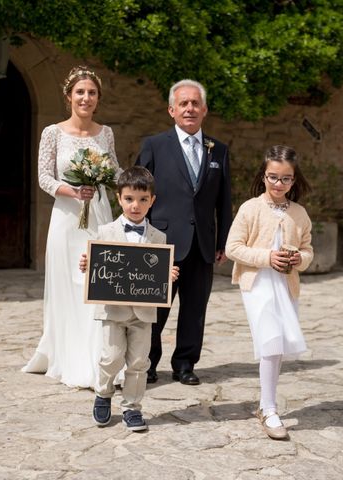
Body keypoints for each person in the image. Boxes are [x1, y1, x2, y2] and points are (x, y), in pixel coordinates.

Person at [22, 66, 120, 389]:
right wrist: (74, 191)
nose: (86, 98)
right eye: (80, 92)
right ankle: (71, 357)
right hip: (67, 218)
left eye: (92, 93)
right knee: (69, 286)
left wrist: (129, 187)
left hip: (99, 215)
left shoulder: (106, 134)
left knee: (98, 283)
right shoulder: (52, 133)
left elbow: (115, 172)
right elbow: (44, 177)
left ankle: (99, 357)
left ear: (98, 99)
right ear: (69, 97)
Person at [136, 79, 232, 386]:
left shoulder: (219, 150)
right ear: (171, 110)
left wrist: (223, 241)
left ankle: (185, 364)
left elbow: (224, 200)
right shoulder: (154, 145)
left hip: (203, 242)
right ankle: (147, 363)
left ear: (204, 110)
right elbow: (139, 192)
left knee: (195, 308)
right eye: (183, 104)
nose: (189, 109)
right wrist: (139, 237)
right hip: (162, 242)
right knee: (155, 309)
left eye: (195, 104)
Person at [79, 166, 179, 431]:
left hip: (144, 312)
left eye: (143, 199)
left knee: (138, 362)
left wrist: (167, 273)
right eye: (130, 199)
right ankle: (103, 393)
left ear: (152, 201)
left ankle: (132, 408)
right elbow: (95, 265)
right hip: (113, 310)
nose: (136, 205)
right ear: (119, 198)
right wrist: (88, 264)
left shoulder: (159, 237)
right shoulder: (105, 232)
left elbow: (159, 272)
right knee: (111, 357)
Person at [225, 145, 313, 440]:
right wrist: (267, 257)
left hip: (286, 285)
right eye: (273, 177)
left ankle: (266, 405)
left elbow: (308, 249)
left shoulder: (299, 213)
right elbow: (233, 248)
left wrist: (301, 259)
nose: (279, 184)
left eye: (285, 179)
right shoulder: (250, 208)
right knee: (270, 340)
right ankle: (269, 407)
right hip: (257, 283)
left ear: (294, 180)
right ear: (263, 176)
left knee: (279, 346)